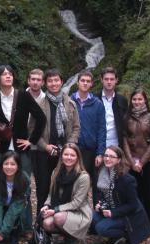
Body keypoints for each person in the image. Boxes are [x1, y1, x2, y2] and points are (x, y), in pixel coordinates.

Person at [0, 64, 46, 174]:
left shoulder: (24, 96)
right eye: (4, 74)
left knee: (24, 179)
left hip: (21, 147)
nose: (8, 76)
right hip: (1, 147)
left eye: (10, 74)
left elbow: (41, 118)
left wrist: (31, 140)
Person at [31, 69, 80, 215]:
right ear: (45, 83)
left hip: (66, 154)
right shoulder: (39, 104)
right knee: (43, 189)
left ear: (62, 82)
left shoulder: (70, 103)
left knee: (64, 189)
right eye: (50, 81)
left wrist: (69, 146)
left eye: (56, 80)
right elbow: (32, 131)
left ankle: (62, 223)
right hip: (43, 154)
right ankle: (41, 227)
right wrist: (45, 146)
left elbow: (77, 128)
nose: (54, 83)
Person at [91, 145, 150, 244]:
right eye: (106, 155)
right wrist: (100, 204)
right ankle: (116, 236)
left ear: (119, 160)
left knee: (101, 228)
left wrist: (112, 213)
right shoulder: (102, 172)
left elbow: (133, 205)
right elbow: (102, 194)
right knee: (92, 218)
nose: (107, 159)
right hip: (112, 208)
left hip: (129, 216)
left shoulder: (127, 179)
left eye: (111, 157)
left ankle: (129, 235)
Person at [41, 143, 92, 244]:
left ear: (77, 157)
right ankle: (67, 234)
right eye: (66, 154)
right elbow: (51, 194)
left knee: (58, 217)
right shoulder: (56, 172)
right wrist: (47, 205)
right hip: (62, 210)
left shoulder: (83, 177)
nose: (69, 157)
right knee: (46, 223)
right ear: (61, 156)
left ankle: (72, 239)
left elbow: (77, 203)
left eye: (72, 155)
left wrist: (55, 210)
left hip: (79, 212)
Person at [123, 89, 150, 222]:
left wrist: (142, 162)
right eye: (134, 99)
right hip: (131, 161)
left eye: (140, 99)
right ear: (131, 101)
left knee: (146, 192)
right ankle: (135, 221)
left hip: (147, 161)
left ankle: (147, 221)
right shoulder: (127, 118)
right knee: (133, 192)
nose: (137, 102)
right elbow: (124, 140)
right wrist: (132, 162)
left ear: (145, 100)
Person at [70, 70, 106, 204]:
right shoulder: (69, 101)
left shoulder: (97, 104)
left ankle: (95, 217)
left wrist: (100, 152)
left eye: (88, 81)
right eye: (82, 81)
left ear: (91, 84)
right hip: (74, 149)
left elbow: (102, 129)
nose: (85, 83)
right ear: (78, 82)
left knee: (95, 184)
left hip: (91, 150)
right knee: (73, 182)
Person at [0, 151, 30, 244]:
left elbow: (16, 206)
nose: (9, 167)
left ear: (18, 166)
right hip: (2, 206)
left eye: (13, 164)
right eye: (6, 164)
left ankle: (14, 235)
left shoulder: (24, 179)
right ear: (1, 165)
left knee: (19, 211)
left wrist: (4, 231)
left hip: (16, 207)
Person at [95, 67, 128, 148]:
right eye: (106, 79)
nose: (109, 82)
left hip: (117, 143)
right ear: (101, 80)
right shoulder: (94, 99)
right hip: (97, 143)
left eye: (112, 79)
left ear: (116, 80)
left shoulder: (122, 100)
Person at [26, 69, 46, 183]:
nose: (35, 82)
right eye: (33, 79)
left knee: (41, 177)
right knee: (24, 174)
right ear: (28, 81)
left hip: (40, 143)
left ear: (43, 82)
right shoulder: (19, 96)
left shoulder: (46, 99)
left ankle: (41, 200)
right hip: (22, 142)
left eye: (38, 80)